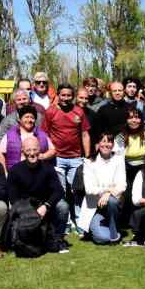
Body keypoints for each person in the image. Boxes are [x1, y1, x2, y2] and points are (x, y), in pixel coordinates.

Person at [8, 136, 70, 254]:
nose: (32, 153)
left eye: (35, 149)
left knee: (63, 206)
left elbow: (59, 191)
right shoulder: (15, 170)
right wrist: (29, 210)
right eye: (28, 150)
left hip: (45, 205)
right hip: (25, 207)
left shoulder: (48, 168)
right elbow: (13, 197)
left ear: (40, 150)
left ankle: (58, 240)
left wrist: (46, 205)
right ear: (22, 151)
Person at [43, 84, 91, 233]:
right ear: (58, 95)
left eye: (69, 95)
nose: (65, 98)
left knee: (77, 191)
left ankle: (80, 222)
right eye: (63, 95)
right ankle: (65, 222)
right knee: (61, 192)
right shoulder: (50, 112)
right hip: (57, 158)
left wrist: (87, 156)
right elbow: (45, 135)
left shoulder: (79, 112)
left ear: (73, 96)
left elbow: (85, 134)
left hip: (76, 157)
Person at [78, 133, 126, 244]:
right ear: (98, 144)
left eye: (109, 141)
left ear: (113, 144)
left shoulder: (119, 159)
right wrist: (108, 190)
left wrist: (108, 194)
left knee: (112, 201)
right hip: (95, 206)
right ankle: (93, 228)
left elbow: (122, 184)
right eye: (103, 141)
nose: (106, 144)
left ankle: (114, 235)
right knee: (102, 239)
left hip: (112, 203)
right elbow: (89, 189)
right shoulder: (89, 162)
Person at [0, 106, 56, 171]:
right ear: (20, 119)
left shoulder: (41, 134)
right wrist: (4, 172)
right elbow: (0, 152)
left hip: (37, 172)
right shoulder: (10, 134)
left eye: (32, 118)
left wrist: (43, 156)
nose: (29, 120)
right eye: (26, 117)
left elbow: (53, 150)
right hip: (16, 172)